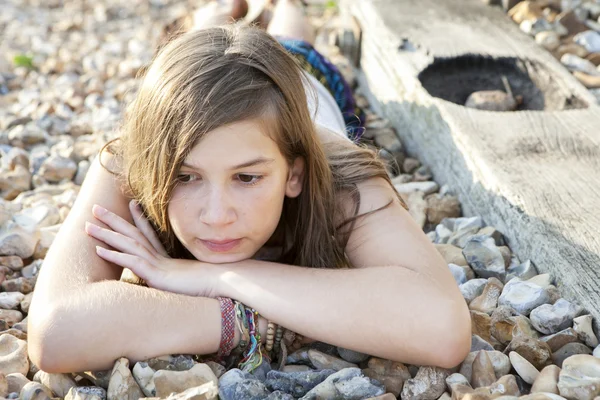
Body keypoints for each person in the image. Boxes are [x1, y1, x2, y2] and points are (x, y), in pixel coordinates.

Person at [27, 0, 471, 374]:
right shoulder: (136, 158)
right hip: (212, 87)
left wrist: (214, 275)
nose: (217, 215)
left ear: (293, 174)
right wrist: (243, 319)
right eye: (186, 176)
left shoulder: (340, 176)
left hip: (298, 82)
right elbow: (55, 331)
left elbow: (443, 327)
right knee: (201, 50)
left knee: (294, 44)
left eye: (247, 177)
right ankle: (214, 16)